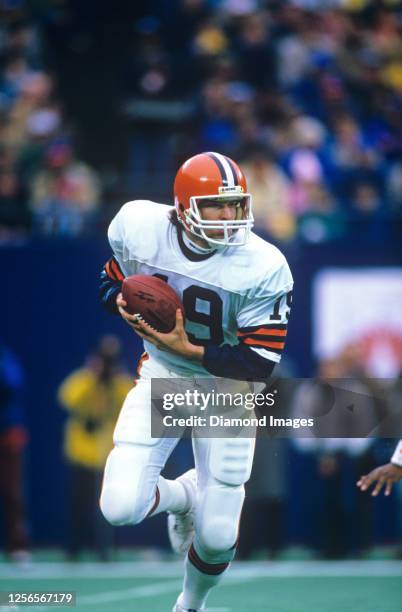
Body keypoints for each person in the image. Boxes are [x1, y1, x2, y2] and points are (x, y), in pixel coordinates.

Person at [99, 151, 293, 612]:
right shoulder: (139, 227)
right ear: (184, 207)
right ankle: (184, 495)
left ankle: (190, 603)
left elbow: (258, 363)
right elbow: (111, 282)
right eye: (215, 205)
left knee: (218, 534)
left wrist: (191, 349)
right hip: (164, 377)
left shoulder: (263, 264)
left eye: (235, 204)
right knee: (120, 507)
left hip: (228, 391)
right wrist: (120, 304)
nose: (230, 217)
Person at [58, 335, 132, 560]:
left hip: (108, 454)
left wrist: (115, 377)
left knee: (109, 505)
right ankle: (74, 548)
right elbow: (67, 398)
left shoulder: (120, 383)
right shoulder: (84, 379)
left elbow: (131, 401)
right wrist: (92, 377)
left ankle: (106, 549)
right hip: (83, 452)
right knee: (79, 505)